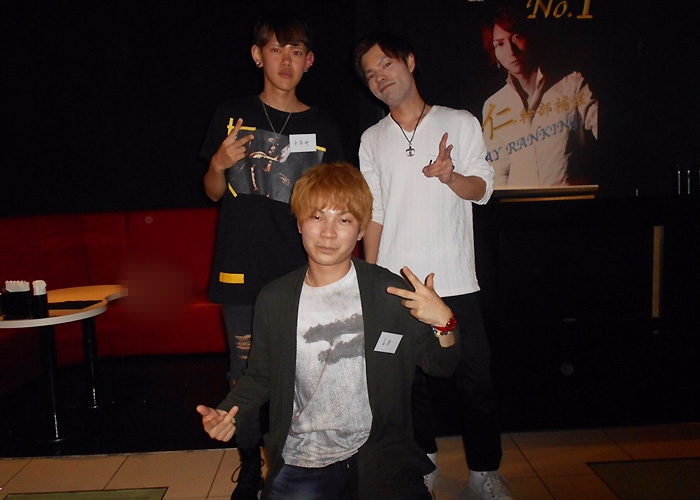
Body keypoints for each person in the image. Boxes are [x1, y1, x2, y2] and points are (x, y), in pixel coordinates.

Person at [196, 162, 461, 500]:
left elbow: (441, 365)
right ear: (299, 223)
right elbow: (261, 375)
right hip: (304, 457)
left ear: (361, 230)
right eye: (317, 217)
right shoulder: (275, 299)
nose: (328, 233)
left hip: (380, 455)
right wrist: (227, 411)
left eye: (344, 220)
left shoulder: (389, 293)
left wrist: (444, 322)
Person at [354, 34, 512, 500]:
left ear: (409, 61)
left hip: (454, 279)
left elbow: (482, 189)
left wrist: (450, 175)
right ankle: (422, 463)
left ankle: (484, 472)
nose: (380, 77)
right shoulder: (372, 139)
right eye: (370, 74)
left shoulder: (458, 122)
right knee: (408, 386)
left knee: (475, 381)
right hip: (397, 284)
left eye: (386, 65)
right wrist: (371, 279)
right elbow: (374, 212)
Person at [199, 13, 344, 500]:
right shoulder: (232, 114)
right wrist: (218, 163)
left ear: (309, 60)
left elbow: (338, 199)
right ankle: (249, 466)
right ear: (258, 55)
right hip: (239, 265)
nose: (286, 60)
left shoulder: (323, 125)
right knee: (243, 372)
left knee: (304, 371)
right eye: (276, 50)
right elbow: (213, 191)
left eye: (296, 51)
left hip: (302, 271)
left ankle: (296, 462)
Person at [481, 4, 598, 187]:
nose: (511, 51)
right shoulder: (494, 105)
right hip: (520, 202)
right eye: (500, 44)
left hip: (570, 199)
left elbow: (606, 131)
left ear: (530, 37)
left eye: (516, 37)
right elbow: (498, 174)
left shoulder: (573, 85)